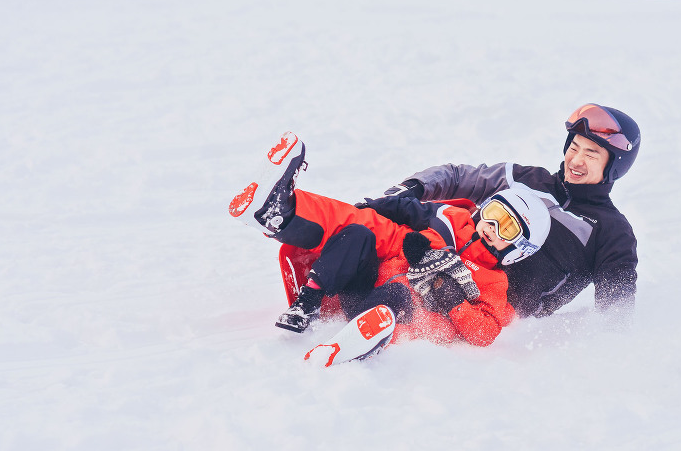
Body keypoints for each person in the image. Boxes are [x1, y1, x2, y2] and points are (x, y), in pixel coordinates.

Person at [229, 132, 551, 365]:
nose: (491, 227)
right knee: (361, 230)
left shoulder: (495, 283)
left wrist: (452, 300)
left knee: (400, 292)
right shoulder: (453, 220)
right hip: (366, 291)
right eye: (494, 215)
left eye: (506, 227)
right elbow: (409, 209)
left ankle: (353, 343)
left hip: (403, 318)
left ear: (518, 248)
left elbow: (485, 332)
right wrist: (376, 205)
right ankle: (284, 225)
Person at [380, 103, 641, 323]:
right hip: (441, 260)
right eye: (574, 148)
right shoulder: (527, 179)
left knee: (407, 306)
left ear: (614, 166)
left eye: (591, 154)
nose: (575, 161)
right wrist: (412, 188)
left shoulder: (611, 232)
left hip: (484, 312)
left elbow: (616, 314)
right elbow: (459, 177)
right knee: (372, 240)